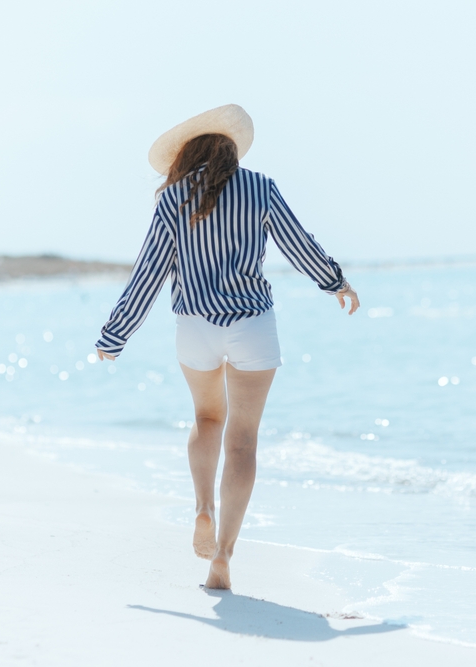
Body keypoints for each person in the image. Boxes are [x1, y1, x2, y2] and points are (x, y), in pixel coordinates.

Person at [94, 104, 360, 590]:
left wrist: (115, 335)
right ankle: (223, 557)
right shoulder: (259, 187)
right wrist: (335, 281)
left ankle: (202, 508)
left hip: (195, 325)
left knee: (206, 420)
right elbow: (297, 243)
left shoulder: (173, 197)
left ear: (186, 153)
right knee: (243, 440)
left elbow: (148, 274)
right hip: (253, 323)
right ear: (231, 147)